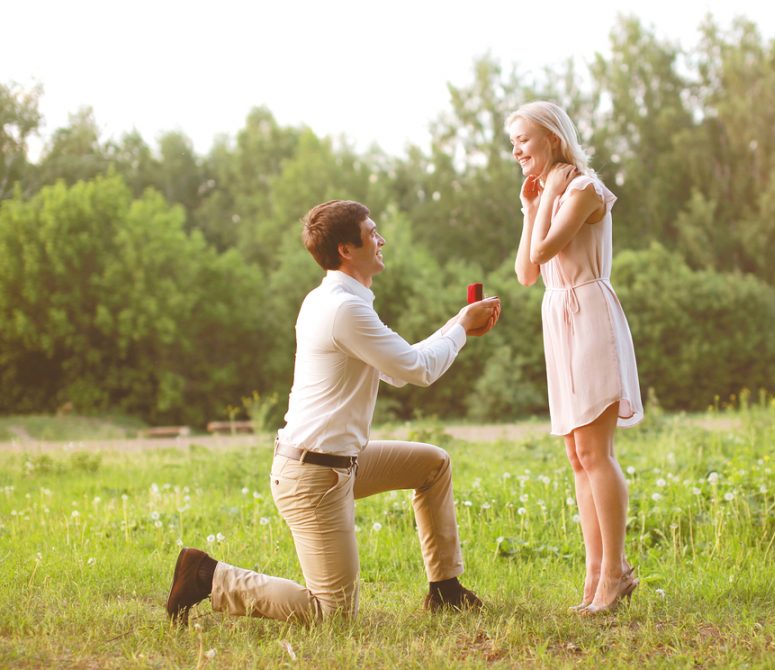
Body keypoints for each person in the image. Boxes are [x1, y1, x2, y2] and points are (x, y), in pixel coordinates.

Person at [166, 199, 501, 625]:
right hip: (314, 476)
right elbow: (418, 370)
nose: (381, 239)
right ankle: (208, 576)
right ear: (346, 248)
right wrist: (461, 328)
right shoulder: (344, 309)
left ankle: (446, 591)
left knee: (432, 464)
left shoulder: (336, 300)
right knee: (332, 614)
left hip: (341, 461)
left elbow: (399, 370)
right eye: (372, 231)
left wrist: (459, 322)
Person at [508, 101, 643, 615]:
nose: (517, 151)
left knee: (595, 451)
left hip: (588, 313)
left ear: (553, 140)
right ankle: (595, 575)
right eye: (513, 143)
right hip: (558, 316)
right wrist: (529, 206)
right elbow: (524, 273)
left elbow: (544, 252)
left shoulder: (584, 189)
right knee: (576, 454)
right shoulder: (546, 194)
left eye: (524, 140)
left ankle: (615, 573)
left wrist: (541, 205)